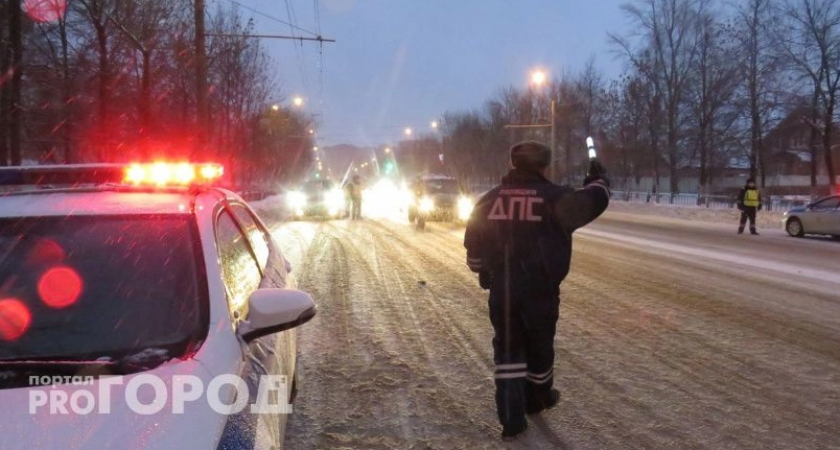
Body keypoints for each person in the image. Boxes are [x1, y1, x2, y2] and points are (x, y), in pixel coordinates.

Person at [463, 141, 610, 440]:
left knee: (507, 347)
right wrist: (598, 179)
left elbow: (474, 256)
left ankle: (511, 417)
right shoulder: (556, 199)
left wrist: (487, 271)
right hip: (541, 291)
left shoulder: (487, 201)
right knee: (540, 346)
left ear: (513, 164)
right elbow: (596, 199)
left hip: (503, 290)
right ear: (545, 166)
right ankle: (538, 397)